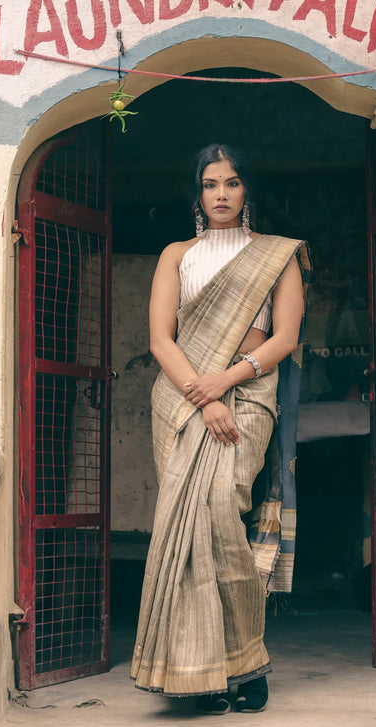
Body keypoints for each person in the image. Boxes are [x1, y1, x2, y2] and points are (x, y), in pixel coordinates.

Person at [130, 143, 309, 714]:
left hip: (249, 394)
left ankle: (244, 661)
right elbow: (162, 339)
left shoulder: (276, 257)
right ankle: (197, 673)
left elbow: (284, 339)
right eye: (211, 185)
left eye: (232, 183)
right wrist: (203, 398)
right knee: (184, 528)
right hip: (184, 403)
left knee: (221, 514)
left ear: (246, 190)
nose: (222, 194)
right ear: (198, 194)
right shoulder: (176, 255)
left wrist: (226, 382)